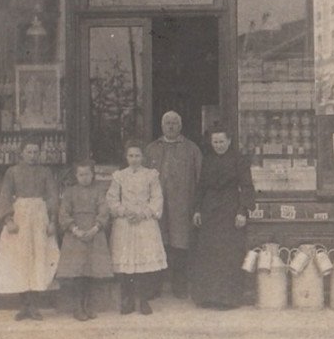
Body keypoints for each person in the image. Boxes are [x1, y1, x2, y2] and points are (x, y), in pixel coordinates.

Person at [0, 137, 60, 320]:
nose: (32, 156)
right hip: (20, 217)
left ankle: (34, 305)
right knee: (20, 259)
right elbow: (5, 195)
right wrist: (8, 220)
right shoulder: (12, 172)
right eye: (29, 152)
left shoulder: (46, 172)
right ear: (22, 153)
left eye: (35, 152)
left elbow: (53, 197)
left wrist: (53, 221)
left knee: (38, 257)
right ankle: (24, 305)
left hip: (39, 216)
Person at [191, 125, 256, 309]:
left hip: (230, 209)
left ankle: (228, 299)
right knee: (209, 253)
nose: (218, 145)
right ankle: (208, 297)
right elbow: (201, 186)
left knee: (228, 254)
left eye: (221, 141)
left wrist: (243, 211)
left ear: (229, 141)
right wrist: (197, 209)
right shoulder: (208, 160)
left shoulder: (239, 160)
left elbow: (247, 187)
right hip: (210, 210)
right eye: (215, 142)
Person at [145, 111, 202, 299]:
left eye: (175, 123)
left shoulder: (191, 149)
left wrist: (196, 206)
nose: (171, 126)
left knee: (180, 245)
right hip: (157, 207)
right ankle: (154, 287)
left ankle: (179, 287)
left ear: (180, 126)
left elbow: (200, 179)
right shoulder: (152, 149)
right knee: (156, 243)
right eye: (167, 123)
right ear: (162, 126)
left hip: (182, 205)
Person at [107, 140, 168, 315]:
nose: (134, 159)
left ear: (143, 157)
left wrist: (143, 213)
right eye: (131, 156)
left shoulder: (151, 175)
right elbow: (112, 199)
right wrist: (124, 211)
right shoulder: (119, 176)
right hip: (125, 222)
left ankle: (143, 300)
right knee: (127, 262)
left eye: (137, 155)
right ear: (126, 157)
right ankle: (127, 299)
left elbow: (157, 199)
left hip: (144, 223)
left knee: (143, 261)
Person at [55, 160, 113, 321]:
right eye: (81, 174)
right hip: (75, 235)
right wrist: (75, 230)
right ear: (76, 176)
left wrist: (96, 228)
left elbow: (104, 211)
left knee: (90, 271)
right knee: (77, 272)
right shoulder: (70, 192)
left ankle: (88, 305)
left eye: (87, 174)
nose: (84, 177)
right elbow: (64, 213)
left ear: (92, 175)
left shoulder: (99, 191)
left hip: (94, 232)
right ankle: (77, 307)